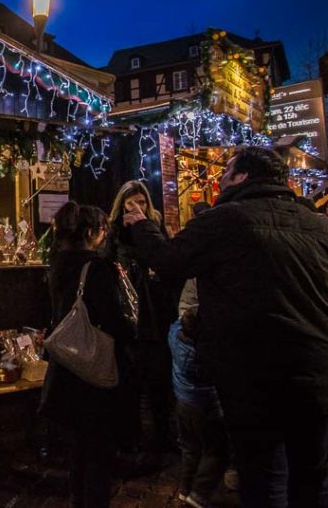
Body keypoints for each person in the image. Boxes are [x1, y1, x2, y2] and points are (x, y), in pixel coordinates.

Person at [123, 147, 328, 508]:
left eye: (226, 170)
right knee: (313, 475)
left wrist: (141, 224)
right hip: (320, 369)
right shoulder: (317, 224)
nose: (219, 178)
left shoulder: (226, 219)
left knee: (264, 476)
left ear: (243, 177)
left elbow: (169, 260)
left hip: (256, 375)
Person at [39, 201, 137, 507]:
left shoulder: (58, 264)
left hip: (67, 367)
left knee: (78, 451)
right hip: (94, 371)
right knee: (98, 454)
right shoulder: (96, 268)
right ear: (93, 232)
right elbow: (114, 320)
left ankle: (77, 499)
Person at [105, 179, 179, 453]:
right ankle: (134, 440)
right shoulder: (115, 231)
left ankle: (164, 436)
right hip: (131, 312)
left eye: (142, 202)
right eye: (130, 203)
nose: (137, 207)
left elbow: (167, 260)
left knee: (160, 377)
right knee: (132, 379)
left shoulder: (154, 226)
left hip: (157, 309)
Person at [170, 300, 227, 508]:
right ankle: (199, 494)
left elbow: (176, 324)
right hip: (205, 406)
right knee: (216, 449)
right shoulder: (204, 354)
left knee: (189, 448)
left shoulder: (175, 339)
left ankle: (185, 489)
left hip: (182, 402)